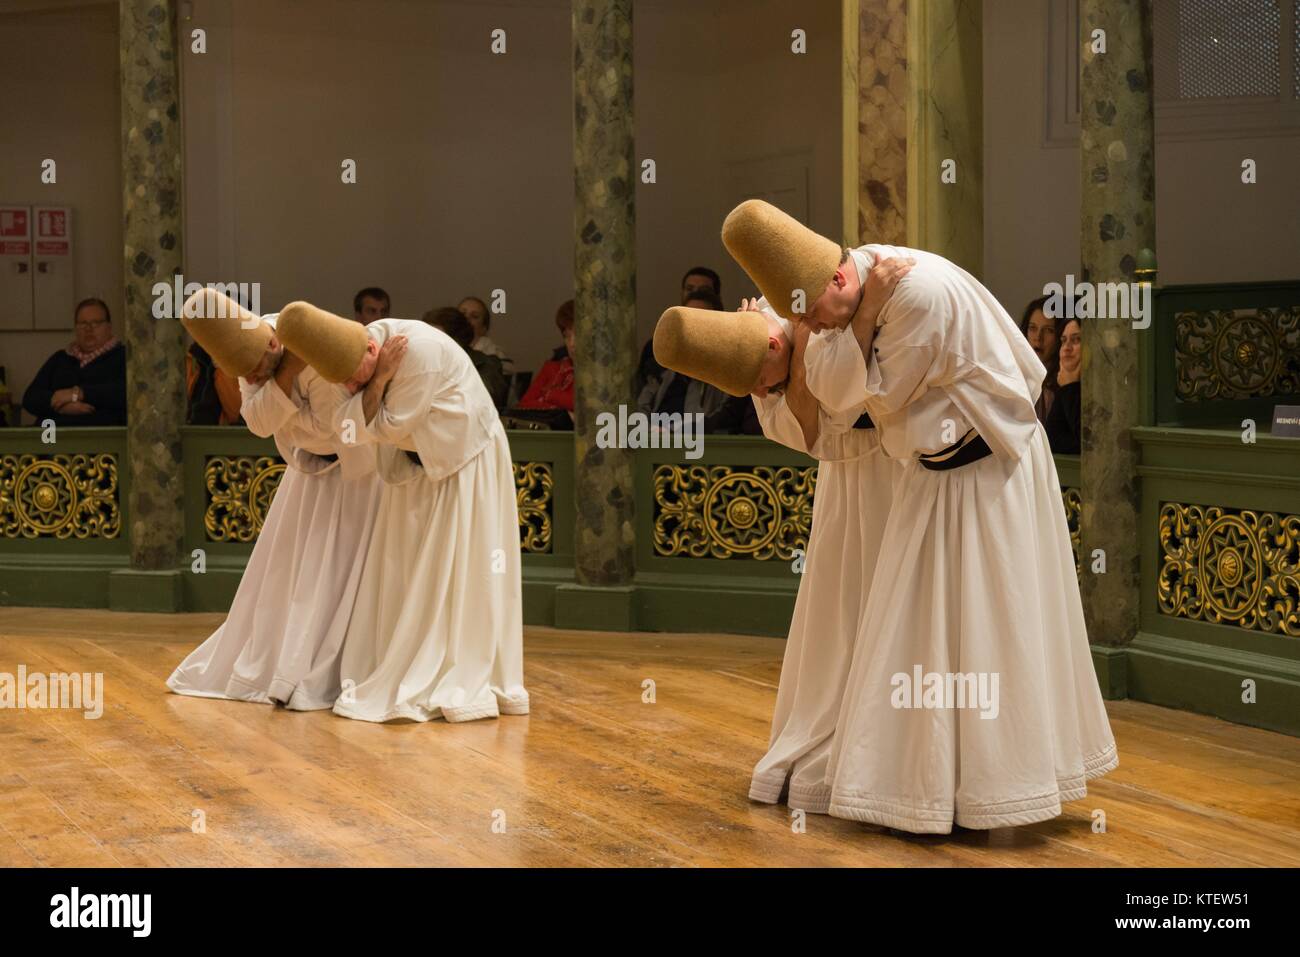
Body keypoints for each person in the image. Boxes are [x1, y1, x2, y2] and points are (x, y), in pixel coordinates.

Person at [722, 199, 1116, 834]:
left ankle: (994, 789)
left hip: (986, 470)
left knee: (989, 625)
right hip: (935, 469)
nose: (811, 332)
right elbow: (829, 382)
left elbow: (864, 396)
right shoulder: (852, 303)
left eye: (812, 316)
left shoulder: (915, 294)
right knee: (918, 630)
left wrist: (865, 318)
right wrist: (849, 322)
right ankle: (926, 787)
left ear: (840, 279)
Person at [651, 249, 908, 812]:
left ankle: (894, 752)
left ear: (768, 341)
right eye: (754, 390)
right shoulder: (771, 365)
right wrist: (792, 370)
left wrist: (831, 332)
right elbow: (811, 427)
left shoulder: (800, 308)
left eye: (762, 382)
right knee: (843, 609)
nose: (760, 394)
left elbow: (849, 386)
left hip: (899, 471)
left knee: (893, 604)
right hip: (848, 487)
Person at [276, 300, 528, 723]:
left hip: (460, 460)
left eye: (358, 379)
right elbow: (351, 428)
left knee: (459, 571)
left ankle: (450, 665)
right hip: (411, 465)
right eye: (347, 385)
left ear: (373, 353)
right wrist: (372, 389)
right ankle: (396, 657)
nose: (352, 388)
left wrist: (371, 396)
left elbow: (385, 427)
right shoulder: (351, 363)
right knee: (401, 568)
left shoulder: (419, 354)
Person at [168, 289, 383, 710]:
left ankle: (337, 667)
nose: (250, 382)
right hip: (306, 476)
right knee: (291, 578)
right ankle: (288, 661)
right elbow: (257, 422)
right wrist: (283, 380)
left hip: (355, 478)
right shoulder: (251, 358)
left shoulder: (315, 343)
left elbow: (334, 429)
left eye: (255, 372)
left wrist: (284, 409)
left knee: (342, 577)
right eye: (243, 377)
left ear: (271, 342)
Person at [636, 289, 732, 430]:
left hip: (698, 447)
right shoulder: (661, 368)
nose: (690, 325)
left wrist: (673, 431)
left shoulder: (726, 373)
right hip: (654, 444)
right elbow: (640, 410)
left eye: (699, 318)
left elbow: (720, 420)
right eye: (685, 318)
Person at [22, 297, 126, 426]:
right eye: (83, 323)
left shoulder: (123, 356)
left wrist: (78, 394)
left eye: (96, 323)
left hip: (101, 437)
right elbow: (30, 398)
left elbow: (124, 393)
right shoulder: (60, 358)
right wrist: (61, 407)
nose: (88, 329)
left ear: (108, 327)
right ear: (76, 328)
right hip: (52, 438)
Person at [636, 266, 725, 394]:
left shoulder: (724, 353)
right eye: (689, 289)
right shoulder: (658, 347)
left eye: (704, 290)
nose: (695, 293)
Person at [425, 306, 509, 410]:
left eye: (433, 338)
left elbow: (479, 402)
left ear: (455, 342)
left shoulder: (487, 365)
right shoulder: (424, 363)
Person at [515, 299, 575, 414]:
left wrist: (550, 395)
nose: (572, 343)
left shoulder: (606, 376)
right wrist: (564, 413)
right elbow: (523, 407)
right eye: (566, 336)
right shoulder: (551, 369)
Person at [1045, 315, 1082, 453]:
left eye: (1076, 339)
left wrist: (1069, 387)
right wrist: (1067, 387)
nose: (1067, 348)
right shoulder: (1064, 382)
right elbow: (1052, 440)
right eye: (1063, 340)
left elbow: (1088, 443)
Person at [1020, 295, 1058, 423]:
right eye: (1032, 328)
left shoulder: (1064, 387)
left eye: (1048, 330)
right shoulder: (1017, 380)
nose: (1038, 337)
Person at [458, 295, 515, 376]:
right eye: (462, 313)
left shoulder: (496, 356)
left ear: (484, 328)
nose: (466, 318)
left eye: (474, 316)